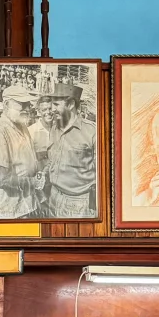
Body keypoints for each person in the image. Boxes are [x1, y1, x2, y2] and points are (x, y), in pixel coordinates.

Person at [45, 82, 97, 218]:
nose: (52, 109)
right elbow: (53, 160)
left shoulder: (92, 132)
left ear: (71, 104)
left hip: (78, 203)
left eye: (56, 104)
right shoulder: (54, 128)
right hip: (53, 196)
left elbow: (103, 173)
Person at [0, 84, 40, 219]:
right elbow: (1, 179)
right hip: (11, 209)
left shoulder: (22, 126)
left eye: (28, 104)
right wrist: (33, 182)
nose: (27, 108)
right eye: (22, 104)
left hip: (27, 204)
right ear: (6, 104)